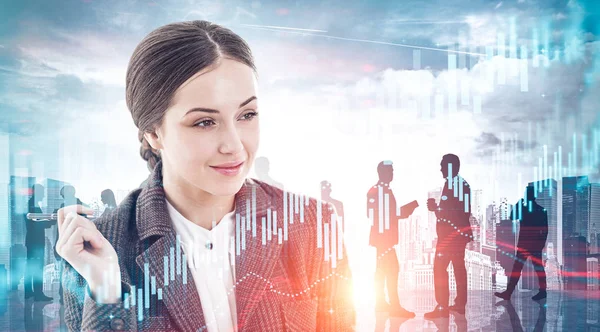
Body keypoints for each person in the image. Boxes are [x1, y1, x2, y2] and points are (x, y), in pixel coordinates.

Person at [57, 20, 355, 331]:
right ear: (153, 133)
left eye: (246, 115)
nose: (234, 145)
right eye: (204, 122)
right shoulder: (98, 249)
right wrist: (106, 292)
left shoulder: (310, 225)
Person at [424, 154, 473, 318]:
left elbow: (454, 212)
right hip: (456, 235)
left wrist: (435, 209)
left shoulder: (456, 185)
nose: (440, 168)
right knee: (458, 268)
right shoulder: (458, 184)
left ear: (451, 167)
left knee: (439, 268)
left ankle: (442, 307)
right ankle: (459, 305)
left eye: (443, 165)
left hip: (450, 237)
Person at [367, 160, 417, 318]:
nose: (393, 173)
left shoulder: (382, 190)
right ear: (382, 172)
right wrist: (405, 210)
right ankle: (393, 306)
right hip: (384, 238)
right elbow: (376, 214)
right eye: (391, 171)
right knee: (392, 270)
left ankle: (381, 304)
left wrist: (401, 212)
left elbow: (388, 213)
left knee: (382, 271)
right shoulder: (377, 191)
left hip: (383, 238)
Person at [495, 185, 548, 301]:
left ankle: (509, 293)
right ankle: (542, 291)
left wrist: (519, 204)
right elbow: (545, 230)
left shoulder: (525, 210)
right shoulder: (540, 210)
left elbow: (512, 217)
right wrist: (541, 244)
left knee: (518, 269)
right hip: (532, 245)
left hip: (526, 244)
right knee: (536, 268)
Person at [25, 184, 54, 302]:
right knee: (37, 268)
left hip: (32, 241)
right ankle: (38, 294)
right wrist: (51, 221)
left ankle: (29, 292)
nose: (43, 195)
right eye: (42, 192)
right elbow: (37, 224)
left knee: (31, 267)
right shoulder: (33, 206)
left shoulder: (31, 204)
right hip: (35, 242)